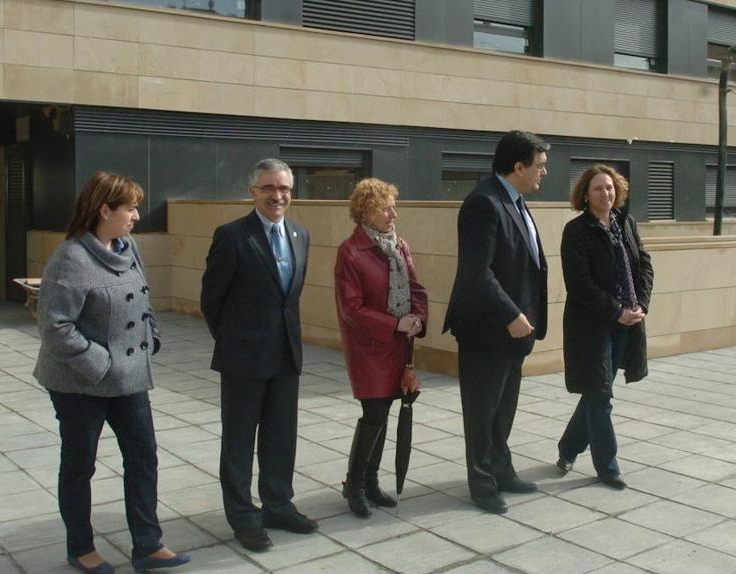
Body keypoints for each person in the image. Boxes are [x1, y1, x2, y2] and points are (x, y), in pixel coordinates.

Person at [35, 171, 190, 574]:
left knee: (143, 457)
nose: (137, 216)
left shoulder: (128, 246)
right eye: (131, 208)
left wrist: (151, 335)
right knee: (80, 464)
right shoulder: (70, 258)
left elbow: (142, 297)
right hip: (80, 383)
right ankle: (80, 547)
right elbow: (55, 326)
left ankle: (147, 545)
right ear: (104, 210)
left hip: (129, 378)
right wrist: (101, 363)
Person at [200, 158, 316, 552]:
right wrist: (235, 340)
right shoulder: (231, 236)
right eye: (269, 188)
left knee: (281, 436)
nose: (278, 196)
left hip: (286, 355)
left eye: (284, 188)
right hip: (243, 357)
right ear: (253, 192)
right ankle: (243, 516)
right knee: (238, 441)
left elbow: (289, 299)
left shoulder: (300, 234)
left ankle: (278, 504)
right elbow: (211, 299)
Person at [443, 130, 549, 514]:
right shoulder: (483, 203)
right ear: (518, 167)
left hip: (517, 331)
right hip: (488, 329)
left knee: (504, 408)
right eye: (539, 166)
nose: (544, 173)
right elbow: (477, 272)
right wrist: (511, 314)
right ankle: (482, 482)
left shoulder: (515, 201)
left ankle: (502, 470)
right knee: (482, 409)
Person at [333, 178, 428, 517]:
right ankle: (354, 485)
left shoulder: (399, 245)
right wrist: (394, 324)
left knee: (384, 413)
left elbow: (416, 288)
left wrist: (417, 317)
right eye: (385, 208)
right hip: (369, 348)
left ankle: (370, 483)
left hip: (398, 347)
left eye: (393, 207)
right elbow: (351, 308)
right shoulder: (351, 251)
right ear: (365, 212)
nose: (393, 214)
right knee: (373, 414)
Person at [556, 164, 653, 489]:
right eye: (598, 188)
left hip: (628, 323)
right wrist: (616, 311)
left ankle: (568, 447)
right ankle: (608, 466)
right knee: (600, 395)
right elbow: (579, 283)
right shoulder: (576, 231)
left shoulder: (626, 223)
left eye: (610, 187)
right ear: (585, 194)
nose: (605, 193)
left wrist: (640, 303)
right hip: (593, 326)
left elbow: (645, 264)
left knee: (597, 393)